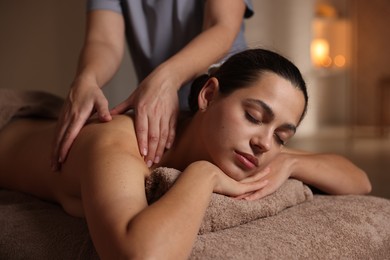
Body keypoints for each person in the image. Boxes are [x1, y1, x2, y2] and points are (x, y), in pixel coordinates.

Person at [0, 49, 371, 259]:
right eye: (254, 117)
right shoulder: (117, 142)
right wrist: (204, 174)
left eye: (282, 136)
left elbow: (359, 180)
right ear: (208, 96)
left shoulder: (256, 145)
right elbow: (139, 254)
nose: (264, 143)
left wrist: (290, 161)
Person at [51, 0, 254, 171]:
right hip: (159, 110)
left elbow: (221, 26)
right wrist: (87, 78)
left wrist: (167, 78)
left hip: (224, 104)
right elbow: (103, 41)